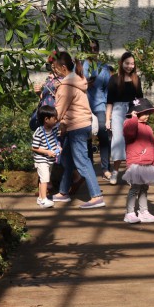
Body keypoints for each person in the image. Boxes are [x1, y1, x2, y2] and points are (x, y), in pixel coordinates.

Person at [50, 51, 105, 209]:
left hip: (76, 127)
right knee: (67, 159)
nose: (55, 71)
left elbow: (58, 112)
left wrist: (47, 121)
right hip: (80, 125)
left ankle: (96, 196)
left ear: (63, 67)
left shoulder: (66, 87)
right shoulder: (78, 80)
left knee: (82, 161)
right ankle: (63, 192)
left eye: (55, 68)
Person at [122, 98, 154, 223]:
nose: (147, 116)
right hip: (136, 162)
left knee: (144, 188)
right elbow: (129, 132)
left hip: (147, 162)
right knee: (135, 188)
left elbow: (150, 142)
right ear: (136, 113)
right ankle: (129, 213)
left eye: (147, 113)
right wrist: (133, 119)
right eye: (144, 113)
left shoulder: (147, 127)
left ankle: (143, 212)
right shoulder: (130, 124)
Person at [105, 51, 143, 185]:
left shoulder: (136, 79)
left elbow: (140, 99)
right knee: (118, 141)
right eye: (127, 63)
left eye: (132, 64)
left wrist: (140, 115)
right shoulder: (114, 79)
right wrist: (108, 119)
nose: (129, 66)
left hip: (132, 112)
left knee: (132, 142)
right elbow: (109, 101)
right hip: (117, 111)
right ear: (121, 63)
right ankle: (115, 172)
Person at [84, 41, 113, 179]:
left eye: (95, 48)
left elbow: (108, 89)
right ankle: (89, 168)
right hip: (83, 106)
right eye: (90, 48)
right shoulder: (79, 67)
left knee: (104, 134)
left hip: (100, 106)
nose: (93, 50)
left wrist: (108, 109)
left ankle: (105, 168)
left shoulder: (104, 68)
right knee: (86, 137)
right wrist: (85, 85)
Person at [30, 104, 61, 208]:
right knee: (45, 179)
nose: (56, 120)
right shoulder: (39, 132)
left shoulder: (53, 130)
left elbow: (54, 141)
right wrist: (47, 152)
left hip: (49, 160)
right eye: (54, 118)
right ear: (46, 119)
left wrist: (58, 147)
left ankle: (40, 197)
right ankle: (44, 199)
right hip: (42, 160)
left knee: (43, 179)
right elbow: (34, 147)